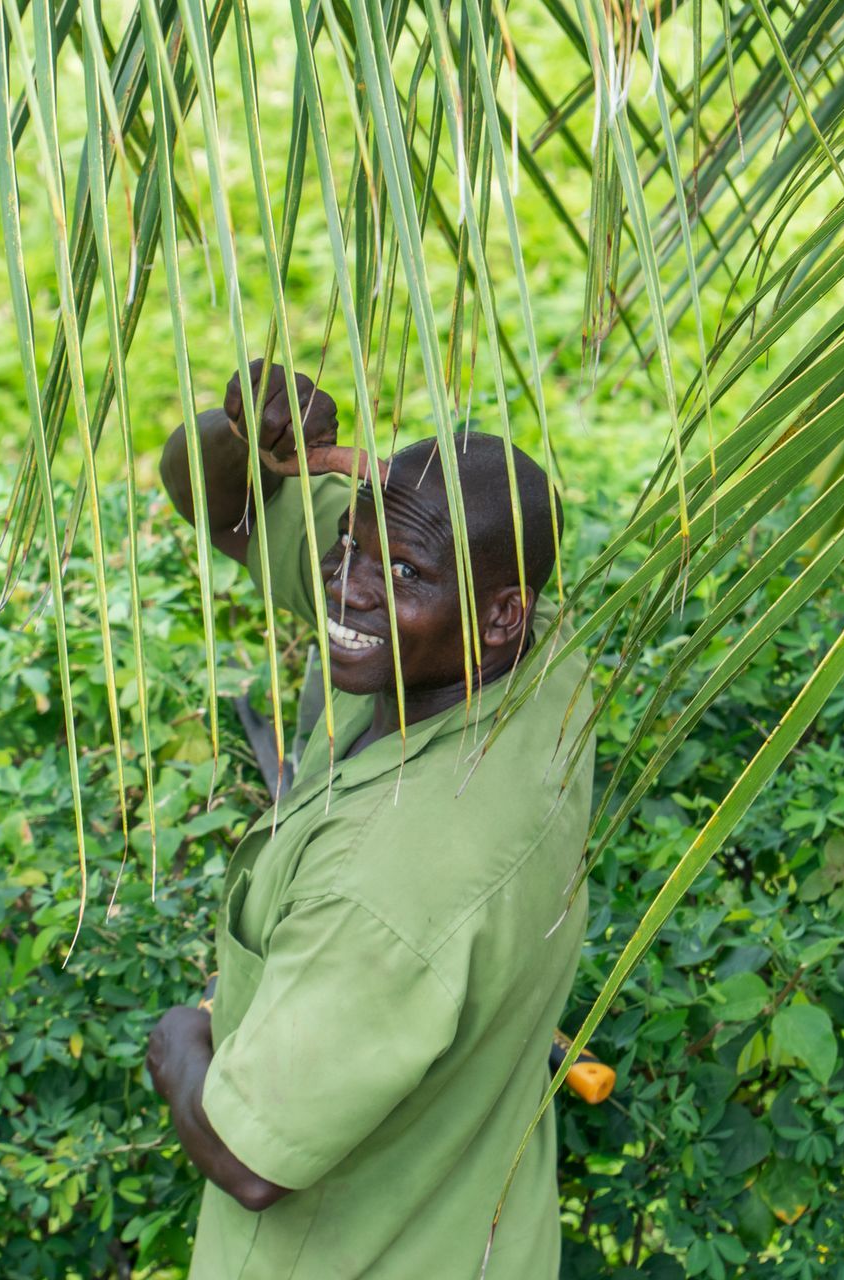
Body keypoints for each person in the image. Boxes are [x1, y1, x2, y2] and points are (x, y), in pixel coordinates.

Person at [147, 360, 593, 1278]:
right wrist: (245, 438)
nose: (346, 588)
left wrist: (179, 1044)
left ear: (501, 616)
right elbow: (223, 507)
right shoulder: (537, 660)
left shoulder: (387, 886)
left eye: (401, 571)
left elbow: (251, 1161)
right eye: (349, 544)